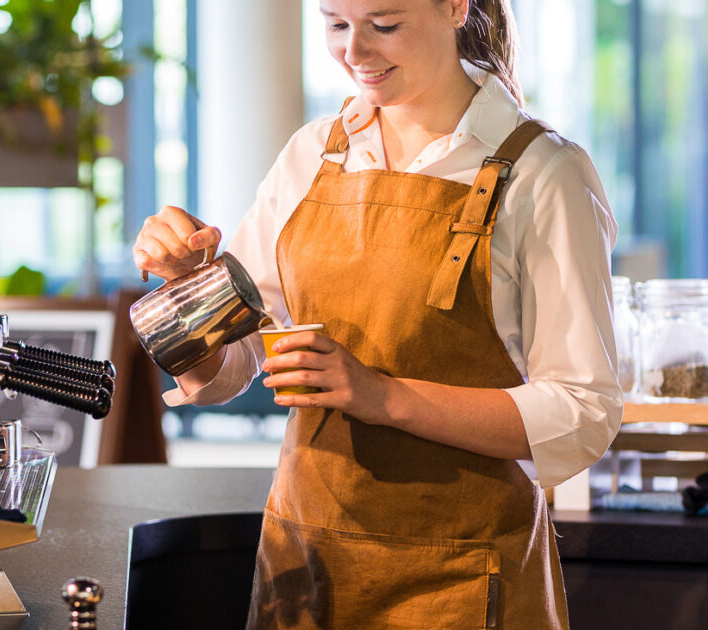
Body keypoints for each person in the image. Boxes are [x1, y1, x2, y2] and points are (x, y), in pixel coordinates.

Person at [132, 0, 622, 628]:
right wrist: (185, 287)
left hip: (468, 581)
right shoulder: (312, 153)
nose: (354, 52)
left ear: (455, 8)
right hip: (307, 565)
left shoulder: (545, 173)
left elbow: (583, 412)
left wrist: (382, 396)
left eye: (384, 25)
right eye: (336, 24)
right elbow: (228, 370)